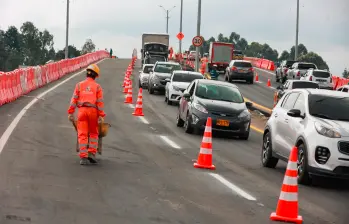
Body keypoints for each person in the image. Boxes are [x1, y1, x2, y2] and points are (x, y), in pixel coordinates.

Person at [67, 64, 106, 165]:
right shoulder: (97, 87)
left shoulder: (79, 85)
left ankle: (83, 157)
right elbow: (100, 103)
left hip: (82, 111)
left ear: (87, 74)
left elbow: (73, 100)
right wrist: (101, 115)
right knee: (93, 133)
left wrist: (70, 113)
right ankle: (91, 154)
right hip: (93, 112)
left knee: (82, 134)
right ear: (96, 75)